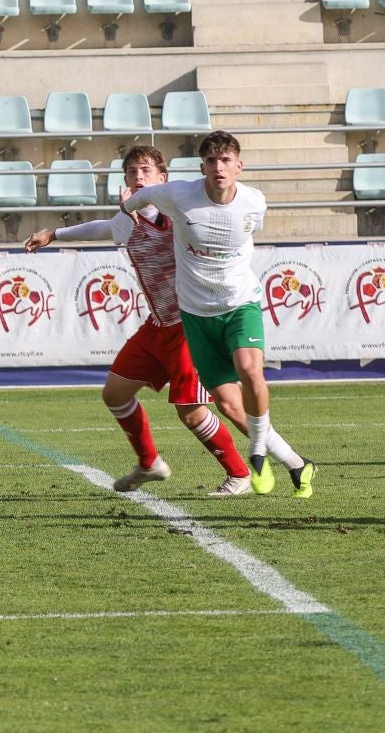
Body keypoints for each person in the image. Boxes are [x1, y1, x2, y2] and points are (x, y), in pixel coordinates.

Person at [23, 146, 255, 497]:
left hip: (189, 325)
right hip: (158, 324)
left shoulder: (179, 214)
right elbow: (104, 228)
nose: (138, 177)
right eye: (131, 172)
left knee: (196, 413)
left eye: (145, 170)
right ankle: (149, 462)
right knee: (115, 394)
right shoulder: (129, 218)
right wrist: (54, 235)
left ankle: (247, 471)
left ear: (162, 179)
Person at [120, 131, 317, 497]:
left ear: (239, 166)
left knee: (245, 373)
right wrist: (124, 206)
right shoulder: (177, 196)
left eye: (226, 160)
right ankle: (295, 462)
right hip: (195, 315)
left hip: (237, 304)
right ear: (202, 167)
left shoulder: (254, 203)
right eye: (211, 161)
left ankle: (253, 459)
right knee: (222, 403)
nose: (218, 167)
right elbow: (133, 204)